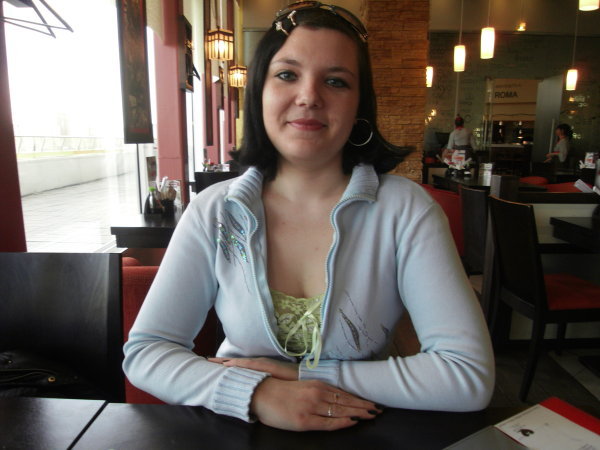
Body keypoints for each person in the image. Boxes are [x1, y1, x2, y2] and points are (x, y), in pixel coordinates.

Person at [123, 2, 494, 432]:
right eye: (287, 75)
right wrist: (256, 393)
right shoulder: (215, 211)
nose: (309, 96)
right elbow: (147, 352)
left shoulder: (406, 210)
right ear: (260, 91)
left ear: (359, 106)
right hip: (239, 425)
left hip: (364, 429)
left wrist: (306, 378)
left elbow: (468, 375)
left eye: (336, 81)